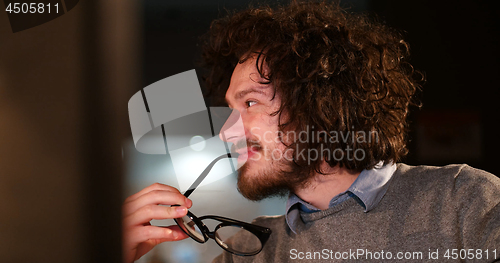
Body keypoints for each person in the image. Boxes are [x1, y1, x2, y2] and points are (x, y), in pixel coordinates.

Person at [123, 1, 500, 262]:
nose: (225, 133)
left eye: (250, 103)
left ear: (321, 103)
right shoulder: (249, 250)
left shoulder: (463, 202)